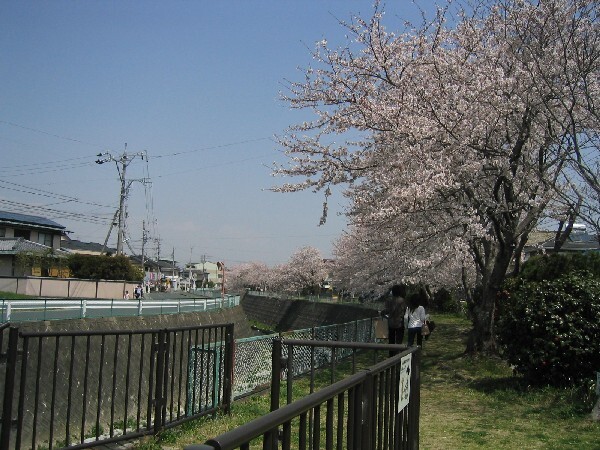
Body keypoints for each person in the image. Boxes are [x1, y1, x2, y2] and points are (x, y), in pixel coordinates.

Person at [381, 284, 407, 353]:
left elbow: (386, 311)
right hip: (400, 323)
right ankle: (398, 356)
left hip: (391, 323)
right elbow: (404, 311)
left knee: (391, 341)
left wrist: (384, 315)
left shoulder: (389, 301)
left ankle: (391, 355)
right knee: (399, 341)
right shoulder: (403, 301)